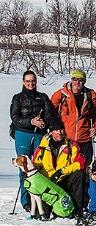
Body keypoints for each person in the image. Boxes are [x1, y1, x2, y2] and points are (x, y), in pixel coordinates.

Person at [10, 70, 53, 212]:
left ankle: (41, 199)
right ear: (23, 82)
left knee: (39, 166)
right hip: (23, 133)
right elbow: (15, 117)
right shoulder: (17, 98)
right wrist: (31, 121)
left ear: (36, 82)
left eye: (33, 81)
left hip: (39, 135)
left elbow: (49, 115)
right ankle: (26, 201)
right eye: (28, 81)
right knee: (24, 168)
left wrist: (43, 123)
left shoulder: (43, 97)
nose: (30, 83)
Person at [32, 119, 87, 218]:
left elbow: (80, 163)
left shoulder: (72, 145)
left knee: (79, 174)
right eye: (56, 130)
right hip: (48, 183)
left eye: (61, 129)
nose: (59, 132)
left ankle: (78, 210)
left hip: (64, 179)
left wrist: (61, 172)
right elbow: (36, 164)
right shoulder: (42, 147)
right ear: (51, 131)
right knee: (43, 213)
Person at [50, 69, 96, 167]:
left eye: (80, 80)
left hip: (85, 139)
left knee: (85, 167)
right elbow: (50, 111)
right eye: (74, 79)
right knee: (66, 167)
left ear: (84, 81)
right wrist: (54, 129)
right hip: (67, 138)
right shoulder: (62, 94)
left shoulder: (90, 95)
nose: (77, 82)